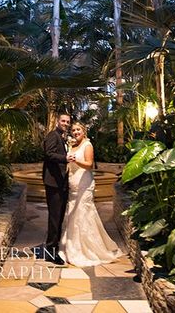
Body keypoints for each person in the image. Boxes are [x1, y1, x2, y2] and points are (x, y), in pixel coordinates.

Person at [58, 121, 123, 267]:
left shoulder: (88, 145)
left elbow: (89, 165)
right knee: (72, 215)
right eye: (73, 130)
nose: (75, 132)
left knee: (83, 213)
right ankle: (71, 246)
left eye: (78, 130)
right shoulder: (72, 145)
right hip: (72, 183)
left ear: (84, 131)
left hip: (84, 183)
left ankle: (87, 249)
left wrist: (77, 160)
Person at [36, 112, 76, 265]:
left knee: (58, 217)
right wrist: (65, 158)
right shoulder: (53, 135)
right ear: (57, 121)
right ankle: (51, 252)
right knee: (54, 217)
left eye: (67, 122)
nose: (65, 123)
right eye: (63, 121)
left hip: (61, 182)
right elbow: (49, 154)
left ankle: (54, 247)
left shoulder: (63, 136)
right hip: (53, 183)